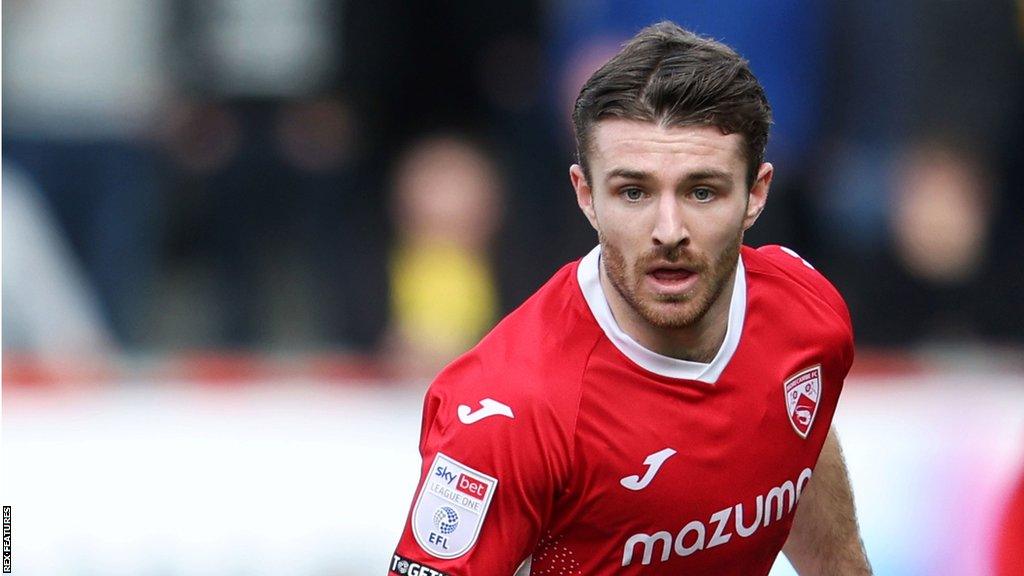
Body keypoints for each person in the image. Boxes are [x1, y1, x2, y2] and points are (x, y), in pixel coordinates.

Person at [388, 22, 871, 575]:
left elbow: (799, 439)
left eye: (702, 191)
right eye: (634, 192)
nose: (669, 229)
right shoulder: (511, 411)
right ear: (586, 196)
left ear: (756, 195)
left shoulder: (805, 314)